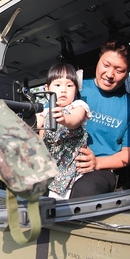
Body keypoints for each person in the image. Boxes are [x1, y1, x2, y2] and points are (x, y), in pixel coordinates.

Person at [71, 38, 130, 198]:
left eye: (119, 71)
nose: (110, 74)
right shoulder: (76, 89)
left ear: (128, 72)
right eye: (106, 65)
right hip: (65, 161)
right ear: (99, 59)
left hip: (102, 169)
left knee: (84, 190)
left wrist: (97, 163)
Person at [36, 63, 91, 199]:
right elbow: (34, 126)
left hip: (72, 168)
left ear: (76, 90)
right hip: (52, 166)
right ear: (47, 89)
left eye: (69, 85)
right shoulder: (45, 111)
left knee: (63, 201)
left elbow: (75, 120)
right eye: (58, 85)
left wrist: (64, 119)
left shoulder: (78, 106)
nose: (63, 90)